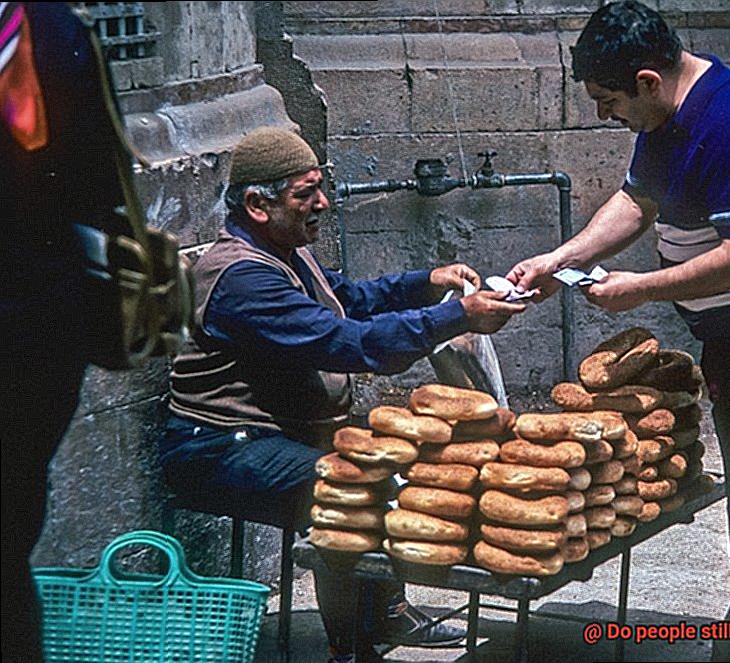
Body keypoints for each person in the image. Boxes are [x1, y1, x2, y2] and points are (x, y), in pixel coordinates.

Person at [506, 2, 730, 660]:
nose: (604, 113)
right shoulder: (666, 113)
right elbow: (637, 199)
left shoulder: (729, 126)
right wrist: (562, 257)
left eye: (608, 100)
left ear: (649, 81)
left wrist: (638, 290)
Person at [159, 126, 525, 663]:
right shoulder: (241, 279)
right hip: (219, 447)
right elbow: (344, 342)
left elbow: (350, 299)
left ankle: (386, 616)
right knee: (342, 489)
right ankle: (351, 646)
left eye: (320, 189)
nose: (323, 203)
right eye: (306, 194)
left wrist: (428, 281)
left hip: (274, 435)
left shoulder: (284, 250)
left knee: (389, 468)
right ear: (259, 204)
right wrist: (455, 316)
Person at [1, 3, 132, 660]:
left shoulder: (51, 32)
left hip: (35, 335)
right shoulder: (54, 27)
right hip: (45, 331)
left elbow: (96, 180)